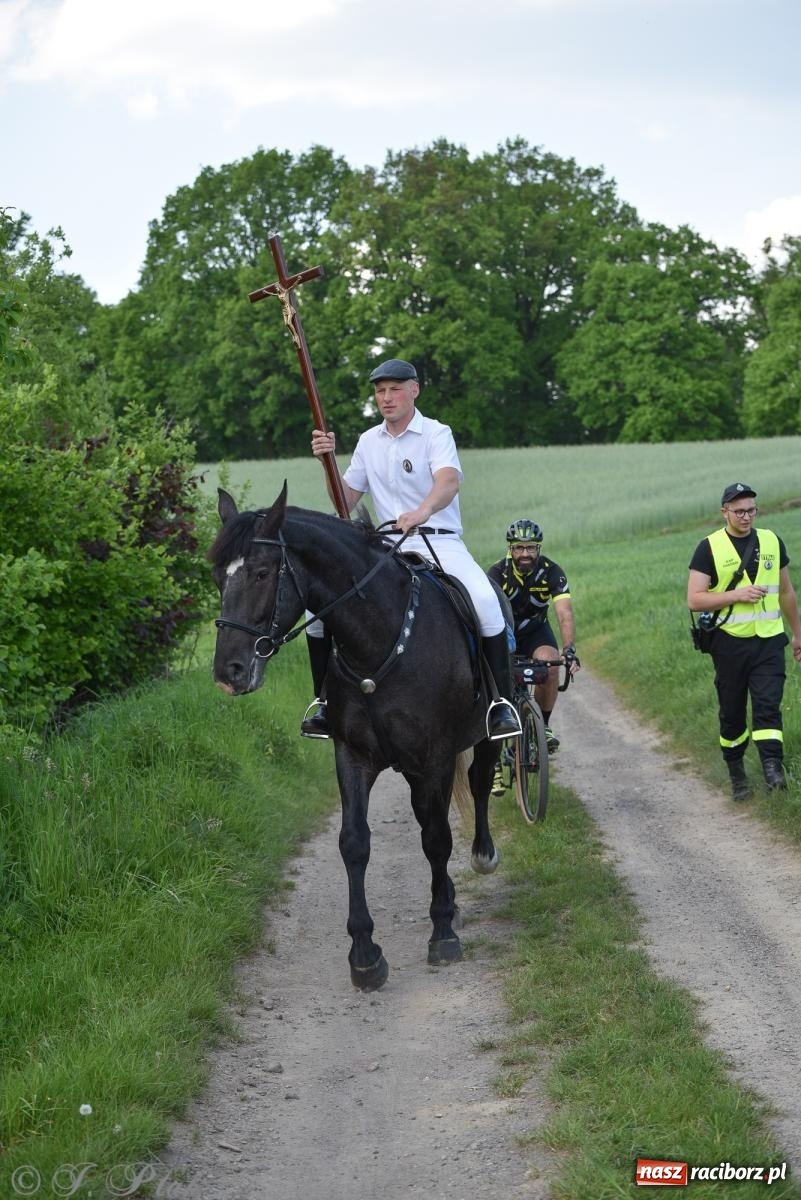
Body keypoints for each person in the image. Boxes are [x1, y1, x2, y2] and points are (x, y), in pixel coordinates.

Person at [302, 357, 521, 742]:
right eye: (380, 391)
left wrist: (422, 512)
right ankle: (323, 703)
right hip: (384, 547)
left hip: (438, 538)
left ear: (414, 390)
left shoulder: (435, 433)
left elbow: (448, 482)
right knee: (317, 611)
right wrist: (327, 463)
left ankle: (500, 704)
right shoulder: (368, 441)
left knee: (486, 601)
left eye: (395, 390)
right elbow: (345, 501)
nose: (386, 398)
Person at [687, 482, 801, 800]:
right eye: (739, 511)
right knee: (732, 711)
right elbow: (695, 599)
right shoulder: (709, 547)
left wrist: (797, 632)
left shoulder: (772, 541)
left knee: (768, 705)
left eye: (751, 510)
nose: (746, 517)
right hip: (729, 643)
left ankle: (773, 769)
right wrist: (737, 595)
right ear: (724, 512)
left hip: (769, 641)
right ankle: (737, 774)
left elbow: (786, 592)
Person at [487, 518, 580, 760]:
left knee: (550, 665)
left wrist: (569, 649)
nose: (525, 554)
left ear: (538, 547)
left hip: (536, 631)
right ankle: (493, 750)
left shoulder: (551, 572)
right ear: (510, 548)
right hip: (505, 633)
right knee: (491, 678)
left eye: (530, 547)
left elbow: (564, 613)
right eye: (519, 547)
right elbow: (487, 615)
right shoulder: (497, 573)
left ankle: (543, 726)